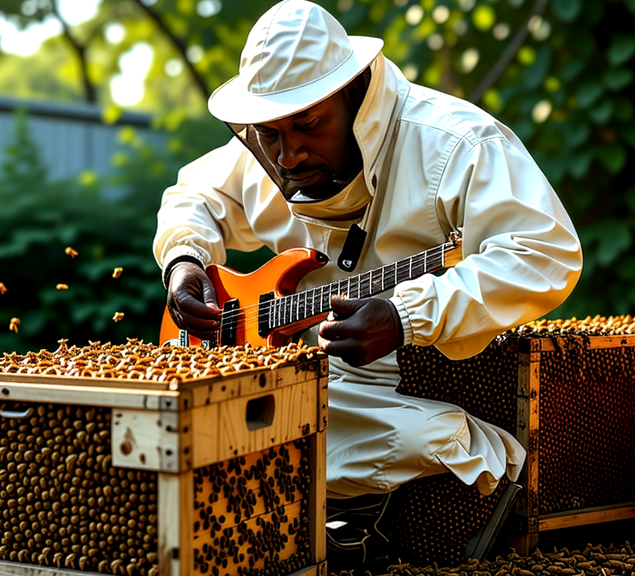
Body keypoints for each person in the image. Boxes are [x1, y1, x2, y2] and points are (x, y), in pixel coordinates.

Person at [154, 0, 582, 569]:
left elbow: (543, 252)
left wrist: (408, 315)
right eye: (270, 133)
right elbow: (195, 196)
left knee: (444, 443)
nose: (289, 155)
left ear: (355, 94)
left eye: (308, 125)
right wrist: (184, 261)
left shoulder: (457, 143)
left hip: (419, 380)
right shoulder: (265, 151)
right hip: (302, 379)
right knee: (198, 430)